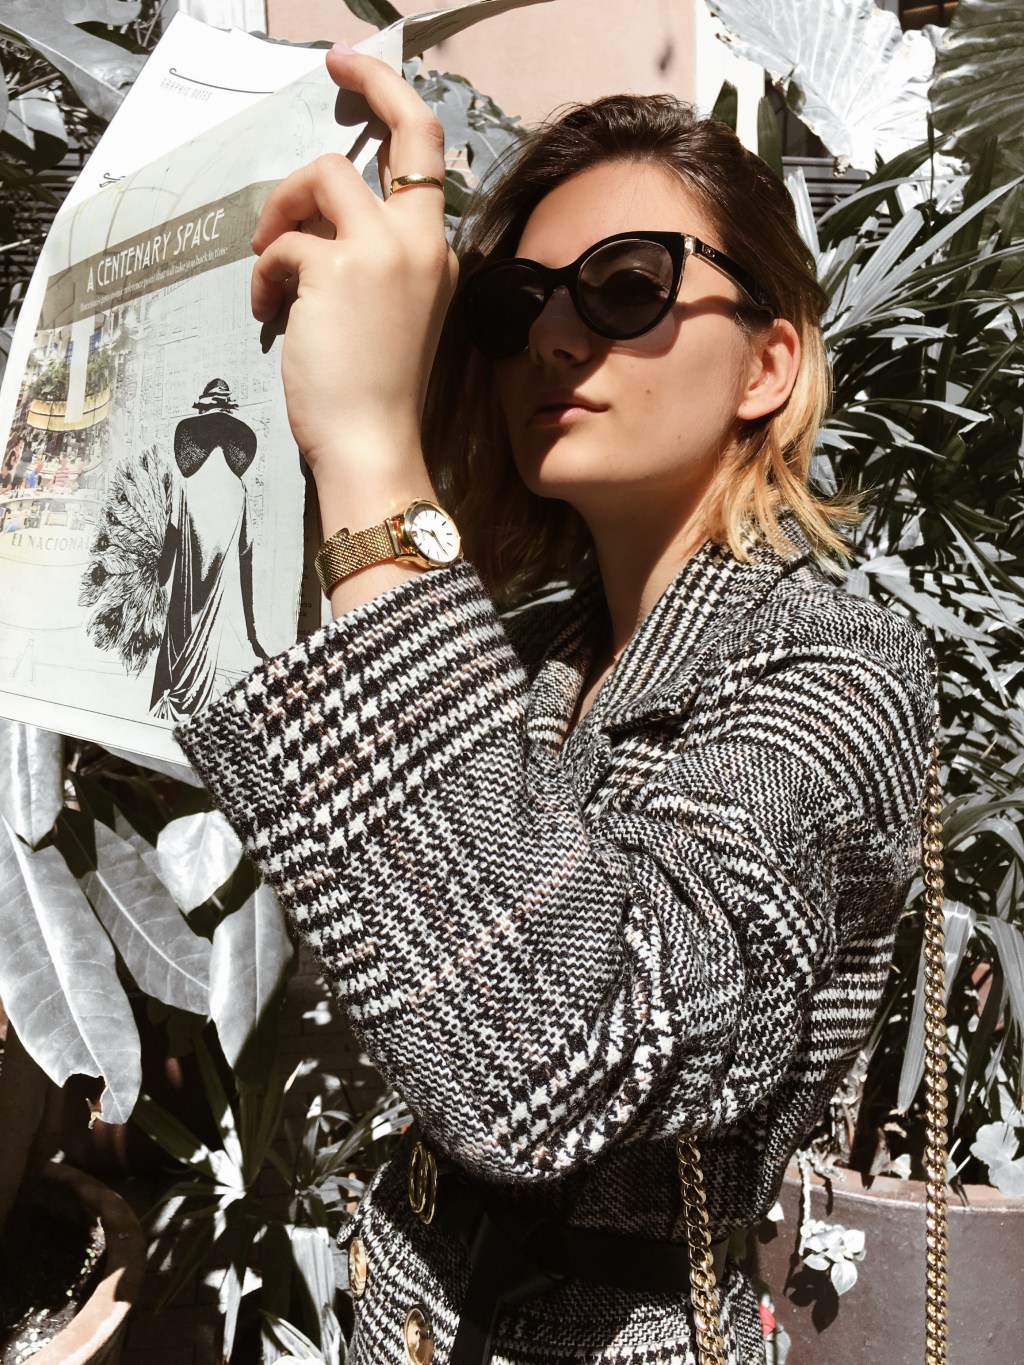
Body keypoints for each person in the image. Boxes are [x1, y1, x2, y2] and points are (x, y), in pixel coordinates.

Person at [176, 49, 936, 1365]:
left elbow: (544, 1056)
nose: (552, 336)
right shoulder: (532, 653)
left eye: (627, 285)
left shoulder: (840, 672)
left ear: (768, 364)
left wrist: (372, 456)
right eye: (513, 304)